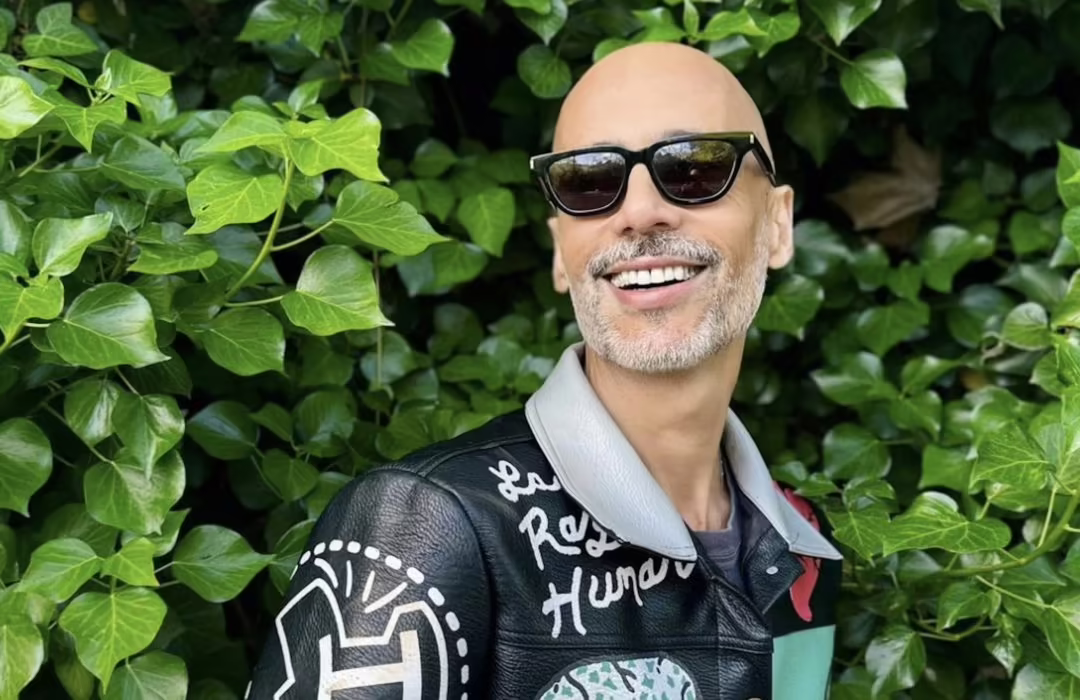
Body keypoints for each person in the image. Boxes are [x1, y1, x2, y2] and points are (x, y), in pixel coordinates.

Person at [245, 41, 843, 700]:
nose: (639, 212)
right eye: (589, 182)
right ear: (561, 251)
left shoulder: (802, 545)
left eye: (696, 168)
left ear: (778, 224)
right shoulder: (426, 525)